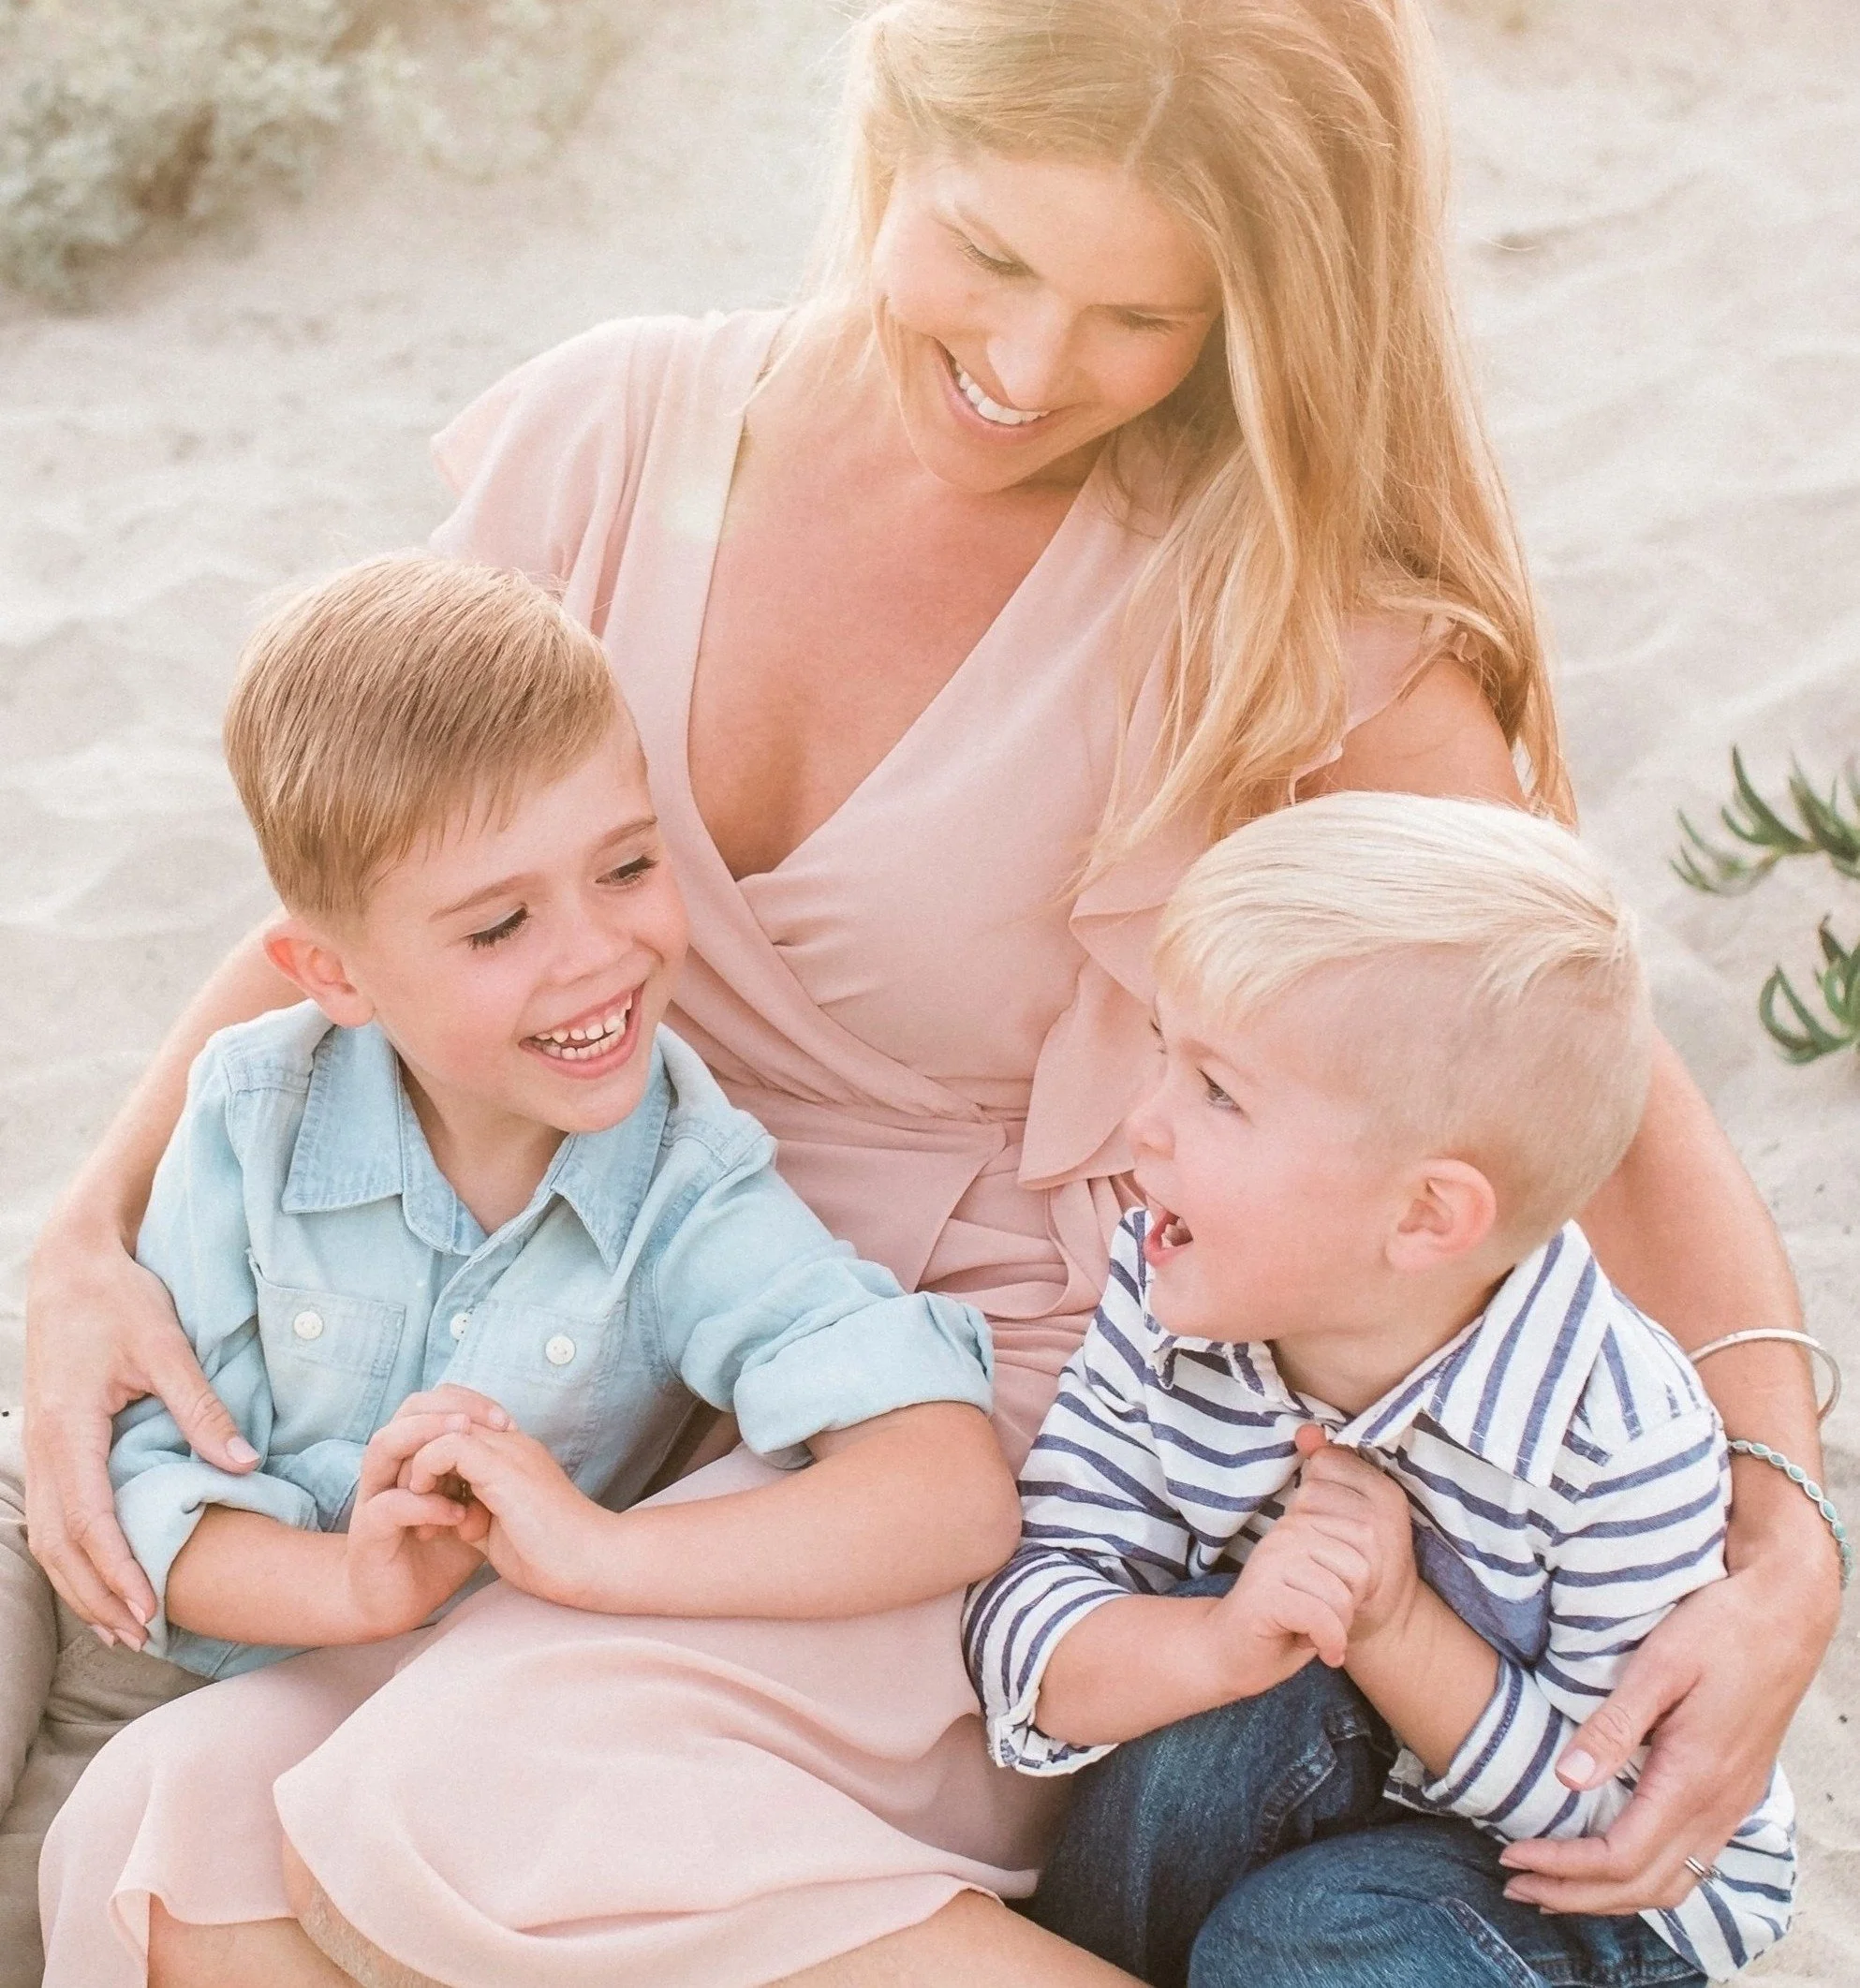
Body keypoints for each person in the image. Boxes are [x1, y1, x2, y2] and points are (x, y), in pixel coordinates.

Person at [20, 1, 1836, 1981]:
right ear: (891, 124)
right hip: (605, 1355)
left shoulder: (1278, 608)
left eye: (1142, 317)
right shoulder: (616, 439)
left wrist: (1783, 1535)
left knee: (474, 1797)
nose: (1032, 365)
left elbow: (1592, 1070)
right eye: (989, 252)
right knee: (158, 1838)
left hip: (984, 1441)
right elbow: (372, 913)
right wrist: (89, 1228)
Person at [20, 548, 1014, 1831]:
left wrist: (604, 1551)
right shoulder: (252, 1108)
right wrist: (351, 1584)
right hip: (98, 1596)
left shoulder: (684, 1192)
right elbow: (137, 1481)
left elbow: (950, 1489)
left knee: (81, 1875)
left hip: (316, 1720)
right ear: (333, 972)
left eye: (627, 867)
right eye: (500, 925)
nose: (598, 952)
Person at [967, 792, 1811, 1988]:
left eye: (1218, 1090)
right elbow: (1029, 1598)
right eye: (1162, 1050)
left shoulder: (1619, 1437)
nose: (1142, 1123)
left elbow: (1636, 1823)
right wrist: (1214, 1644)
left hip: (1586, 1901)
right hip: (1335, 1762)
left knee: (1304, 1934)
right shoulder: (1168, 1285)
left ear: (1424, 1214)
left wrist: (1398, 1628)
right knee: (1215, 1697)